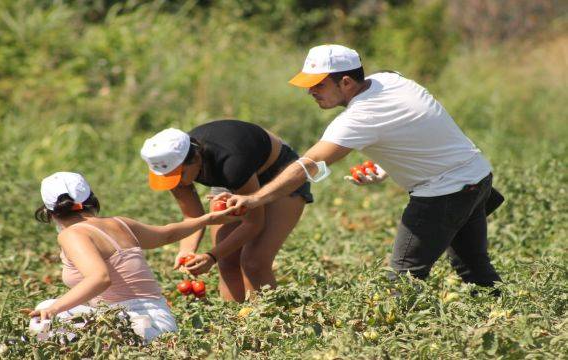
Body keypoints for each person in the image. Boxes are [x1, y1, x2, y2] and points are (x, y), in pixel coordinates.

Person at [225, 45, 503, 289]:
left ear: (346, 82)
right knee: (474, 270)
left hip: (444, 194)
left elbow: (307, 165)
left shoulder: (359, 118)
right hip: (477, 178)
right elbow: (412, 123)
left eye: (319, 84)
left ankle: (400, 345)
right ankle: (501, 322)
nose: (310, 91)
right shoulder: (390, 79)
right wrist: (386, 166)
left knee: (403, 279)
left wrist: (256, 198)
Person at [28, 171, 234, 342]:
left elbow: (99, 278)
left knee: (45, 310)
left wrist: (55, 308)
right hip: (161, 321)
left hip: (132, 324)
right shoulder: (119, 223)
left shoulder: (71, 235)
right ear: (91, 200)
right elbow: (168, 233)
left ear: (49, 212)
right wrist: (209, 218)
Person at [140, 120, 314, 302]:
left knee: (254, 261)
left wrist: (211, 256)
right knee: (227, 261)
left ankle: (268, 324)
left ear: (196, 160)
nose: (177, 183)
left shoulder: (231, 164)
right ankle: (236, 323)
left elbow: (253, 224)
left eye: (179, 175)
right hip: (232, 180)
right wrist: (187, 251)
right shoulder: (173, 164)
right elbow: (193, 216)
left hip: (278, 173)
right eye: (168, 178)